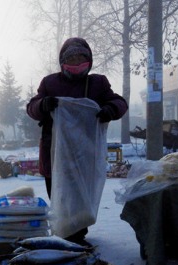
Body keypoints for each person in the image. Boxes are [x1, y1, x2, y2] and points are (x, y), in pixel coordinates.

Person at [26, 37, 128, 245]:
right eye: (71, 58)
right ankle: (65, 234)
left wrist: (110, 109)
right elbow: (32, 107)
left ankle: (77, 234)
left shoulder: (98, 83)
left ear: (89, 60)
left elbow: (119, 102)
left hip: (85, 152)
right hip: (56, 152)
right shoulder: (50, 83)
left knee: (82, 197)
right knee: (60, 195)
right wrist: (44, 105)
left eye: (81, 57)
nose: (76, 62)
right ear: (63, 61)